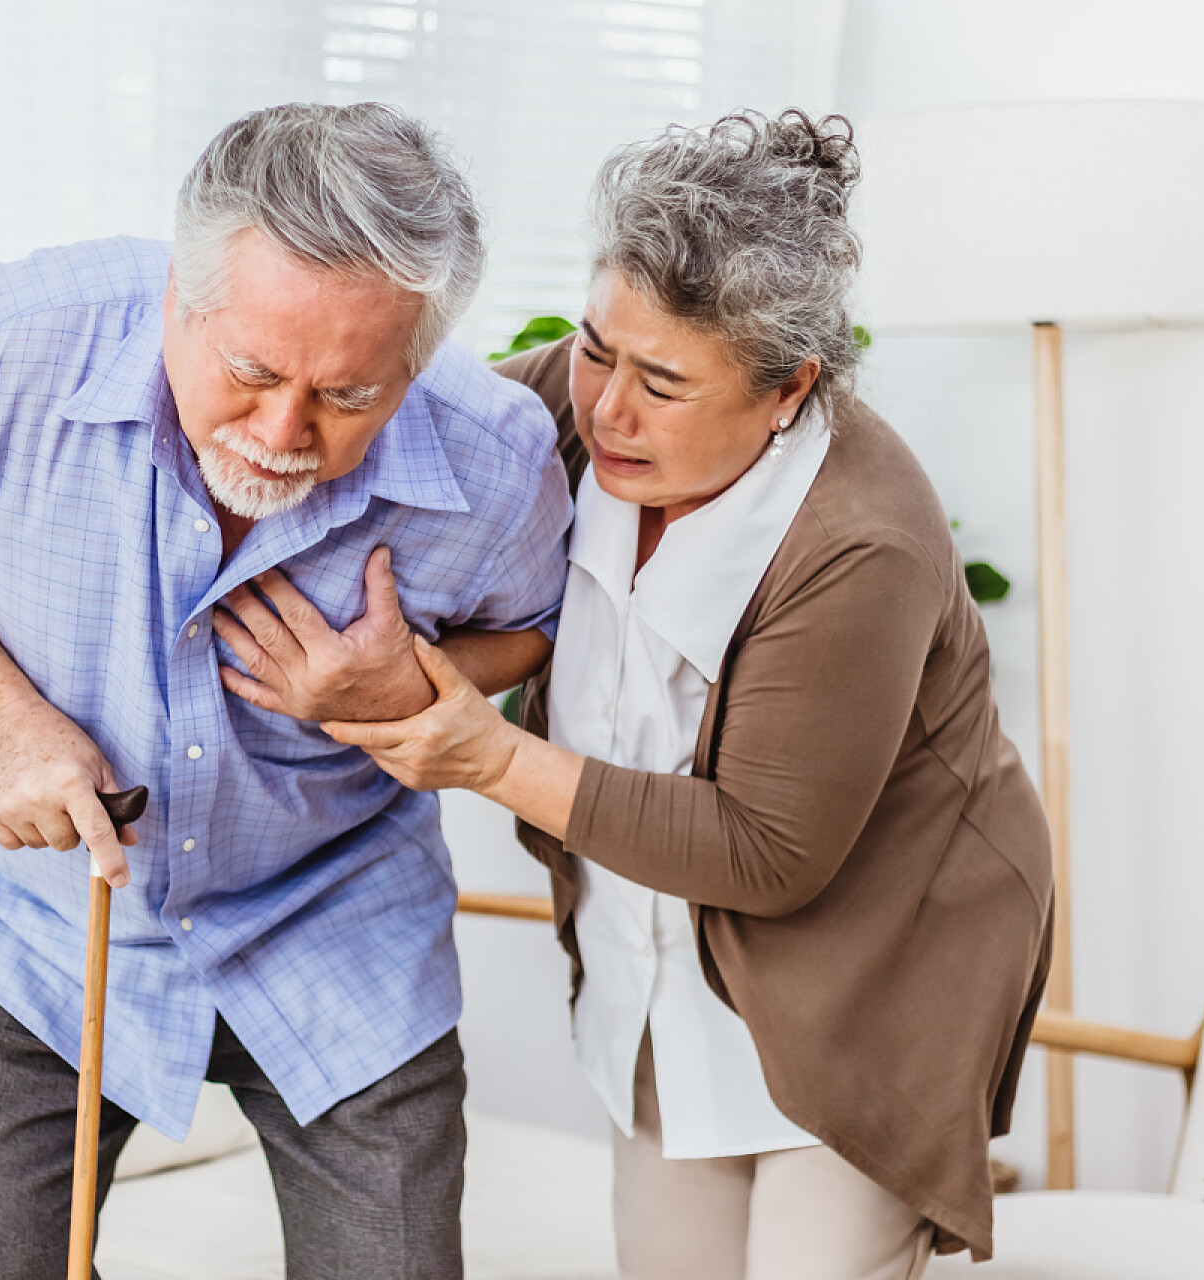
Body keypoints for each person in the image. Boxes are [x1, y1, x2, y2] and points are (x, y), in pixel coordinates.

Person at [229, 111, 1053, 1277]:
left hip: (878, 972)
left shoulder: (860, 542)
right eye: (597, 346)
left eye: (662, 381)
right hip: (659, 965)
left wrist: (486, 753)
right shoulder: (568, 412)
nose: (604, 406)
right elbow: (416, 431)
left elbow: (768, 850)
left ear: (787, 390)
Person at [0, 102, 571, 1280]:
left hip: (340, 928)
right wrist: (4, 719)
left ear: (415, 366)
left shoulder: (497, 458)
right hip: (40, 935)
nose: (282, 432)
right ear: (178, 294)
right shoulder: (1, 345)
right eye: (251, 370)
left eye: (349, 396)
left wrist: (408, 683)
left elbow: (527, 630)